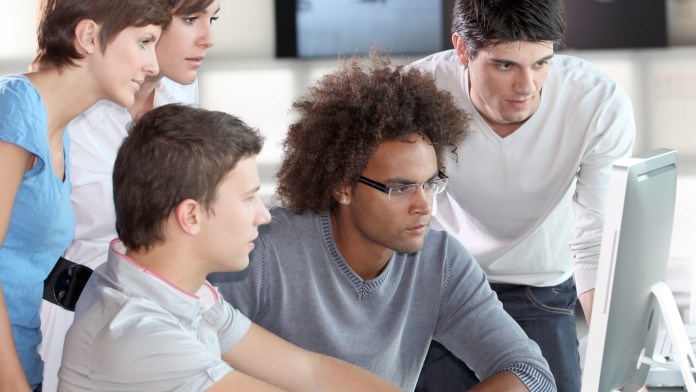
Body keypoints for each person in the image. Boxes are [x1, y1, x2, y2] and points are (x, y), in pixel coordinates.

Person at [208, 53, 557, 391]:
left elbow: (529, 372)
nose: (424, 206)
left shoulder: (442, 263)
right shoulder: (261, 252)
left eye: (430, 184)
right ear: (342, 186)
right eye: (400, 189)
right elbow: (195, 369)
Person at [58, 104, 403, 392]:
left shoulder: (178, 289)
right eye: (249, 197)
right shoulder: (137, 335)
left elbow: (307, 371)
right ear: (191, 215)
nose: (264, 216)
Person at [408, 0, 636, 391]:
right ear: (462, 49)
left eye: (541, 63)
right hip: (443, 286)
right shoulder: (417, 92)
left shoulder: (597, 104)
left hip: (540, 287)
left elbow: (594, 241)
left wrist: (624, 372)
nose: (526, 86)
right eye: (505, 65)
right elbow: (391, 211)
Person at [38, 1, 219, 389]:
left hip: (158, 330)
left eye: (212, 19)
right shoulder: (56, 108)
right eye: (190, 20)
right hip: (63, 329)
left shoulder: (181, 97)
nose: (209, 38)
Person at [0, 0, 171, 390]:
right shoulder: (14, 105)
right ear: (89, 36)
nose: (153, 65)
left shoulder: (59, 134)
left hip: (27, 360)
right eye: (144, 42)